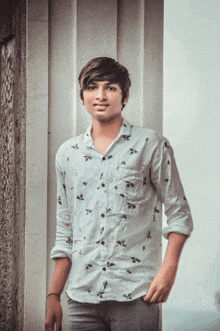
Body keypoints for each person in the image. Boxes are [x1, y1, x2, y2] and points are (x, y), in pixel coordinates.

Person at [45, 57, 193, 331]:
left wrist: (168, 271)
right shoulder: (68, 154)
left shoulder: (151, 144)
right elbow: (66, 229)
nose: (100, 95)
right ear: (82, 96)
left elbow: (180, 213)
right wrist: (54, 294)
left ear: (125, 96)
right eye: (92, 87)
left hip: (137, 295)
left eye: (110, 87)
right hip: (80, 298)